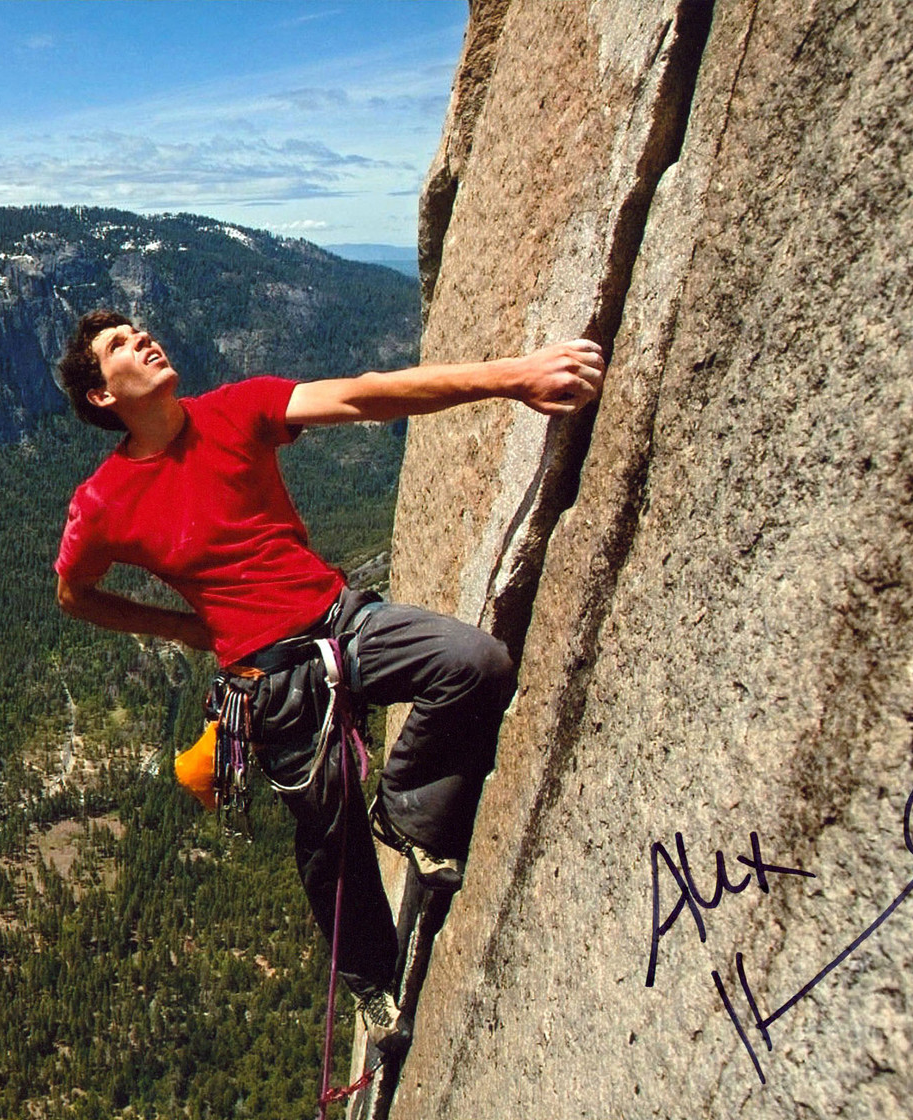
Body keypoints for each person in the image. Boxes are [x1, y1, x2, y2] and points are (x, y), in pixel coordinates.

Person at [51, 309, 604, 1051]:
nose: (142, 338)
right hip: (269, 680)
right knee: (328, 840)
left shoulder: (237, 409)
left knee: (475, 664)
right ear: (101, 395)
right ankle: (371, 981)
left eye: (138, 328)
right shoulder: (104, 502)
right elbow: (74, 595)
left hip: (341, 620)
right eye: (118, 344)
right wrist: (185, 629)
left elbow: (365, 394)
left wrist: (513, 377)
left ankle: (406, 813)